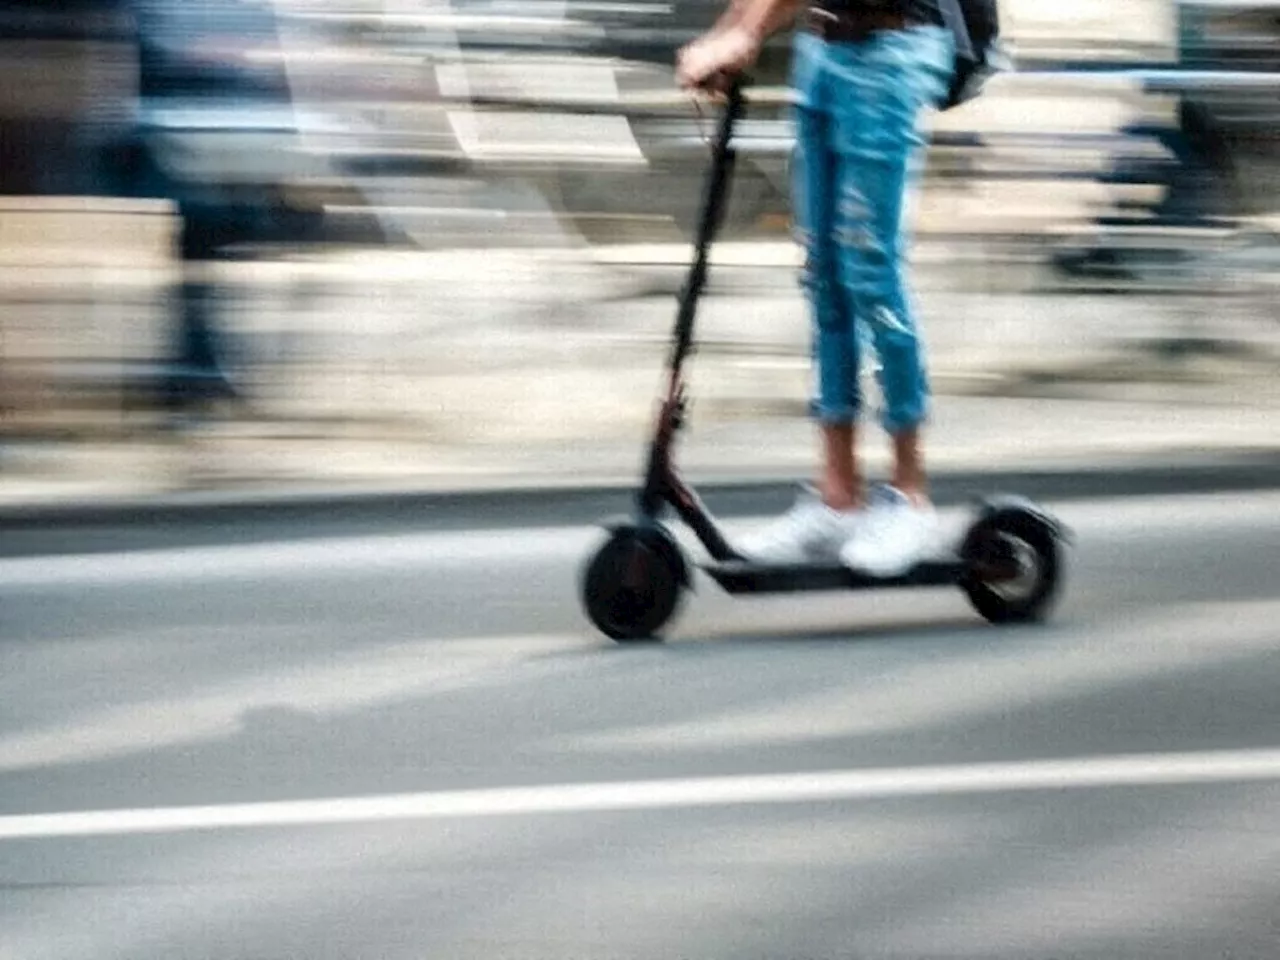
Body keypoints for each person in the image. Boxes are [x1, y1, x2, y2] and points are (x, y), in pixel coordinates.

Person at [676, 0, 964, 576]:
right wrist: (728, 34)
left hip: (891, 52)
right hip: (824, 50)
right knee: (824, 280)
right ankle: (838, 497)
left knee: (872, 276)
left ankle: (909, 497)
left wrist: (747, 34)